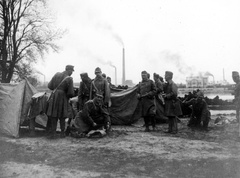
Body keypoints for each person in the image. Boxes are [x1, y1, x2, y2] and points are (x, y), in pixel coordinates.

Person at [46, 65, 75, 139]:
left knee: (53, 115)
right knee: (62, 115)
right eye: (72, 71)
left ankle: (53, 133)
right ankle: (62, 133)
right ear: (69, 70)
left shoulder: (56, 74)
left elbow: (49, 86)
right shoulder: (69, 79)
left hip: (54, 96)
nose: (72, 73)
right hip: (63, 98)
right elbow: (70, 93)